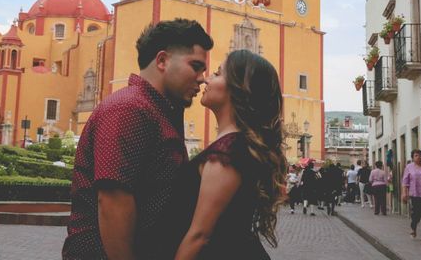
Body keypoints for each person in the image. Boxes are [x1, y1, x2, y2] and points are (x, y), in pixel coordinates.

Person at [62, 19, 213, 260]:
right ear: (162, 61)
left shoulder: (156, 110)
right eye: (196, 66)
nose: (202, 78)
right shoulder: (129, 109)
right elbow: (113, 202)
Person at [159, 49, 287, 259]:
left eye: (218, 74)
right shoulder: (236, 146)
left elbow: (199, 236)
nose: (206, 79)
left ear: (239, 89)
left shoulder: (227, 154)